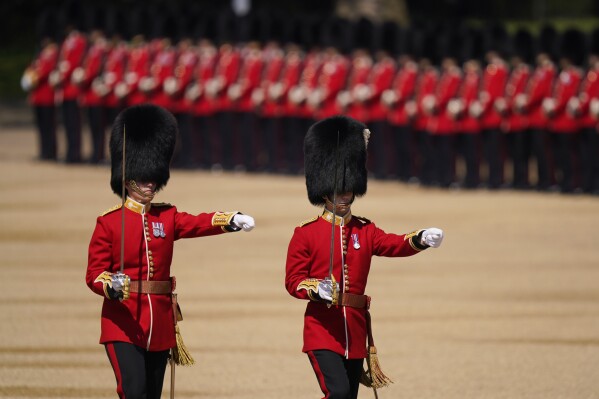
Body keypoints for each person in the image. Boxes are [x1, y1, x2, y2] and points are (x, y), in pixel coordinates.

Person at [85, 104, 255, 398]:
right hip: (123, 320)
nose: (150, 184)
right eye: (143, 179)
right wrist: (109, 285)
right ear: (127, 180)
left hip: (159, 322)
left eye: (153, 178)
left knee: (152, 394)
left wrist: (230, 219)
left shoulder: (167, 216)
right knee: (133, 391)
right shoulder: (110, 222)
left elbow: (198, 223)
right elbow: (93, 274)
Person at [285, 116, 444, 399]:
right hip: (322, 330)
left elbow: (394, 244)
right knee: (338, 393)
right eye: (338, 190)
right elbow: (293, 280)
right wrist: (315, 288)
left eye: (349, 190)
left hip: (355, 331)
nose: (345, 196)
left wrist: (420, 239)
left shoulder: (364, 229)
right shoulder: (306, 233)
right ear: (324, 192)